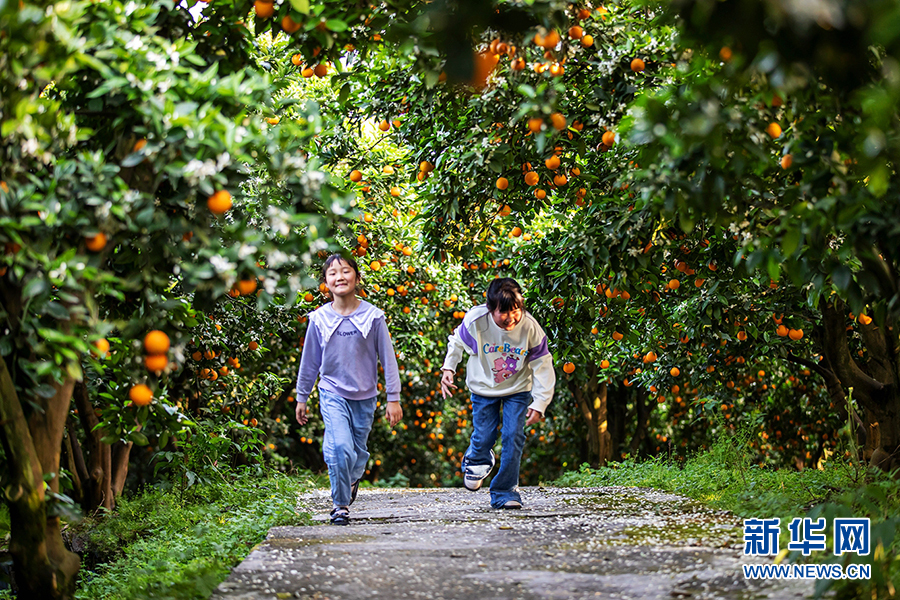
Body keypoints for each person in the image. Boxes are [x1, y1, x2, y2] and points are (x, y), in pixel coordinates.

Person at [295, 253, 403, 525]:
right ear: (325, 282)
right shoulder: (319, 319)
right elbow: (310, 362)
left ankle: (353, 477)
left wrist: (394, 398)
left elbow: (387, 358)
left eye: (345, 271)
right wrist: (302, 396)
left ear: (356, 277)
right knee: (339, 447)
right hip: (332, 392)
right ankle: (340, 505)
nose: (339, 277)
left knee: (356, 452)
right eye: (332, 273)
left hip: (365, 396)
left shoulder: (373, 316)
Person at [440, 277, 555, 509]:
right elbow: (457, 342)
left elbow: (543, 365)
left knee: (514, 436)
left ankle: (505, 491)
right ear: (491, 308)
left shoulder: (529, 327)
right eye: (503, 312)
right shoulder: (476, 320)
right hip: (483, 388)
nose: (511, 318)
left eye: (516, 310)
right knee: (484, 435)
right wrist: (449, 368)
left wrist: (540, 402)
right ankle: (479, 458)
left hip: (518, 390)